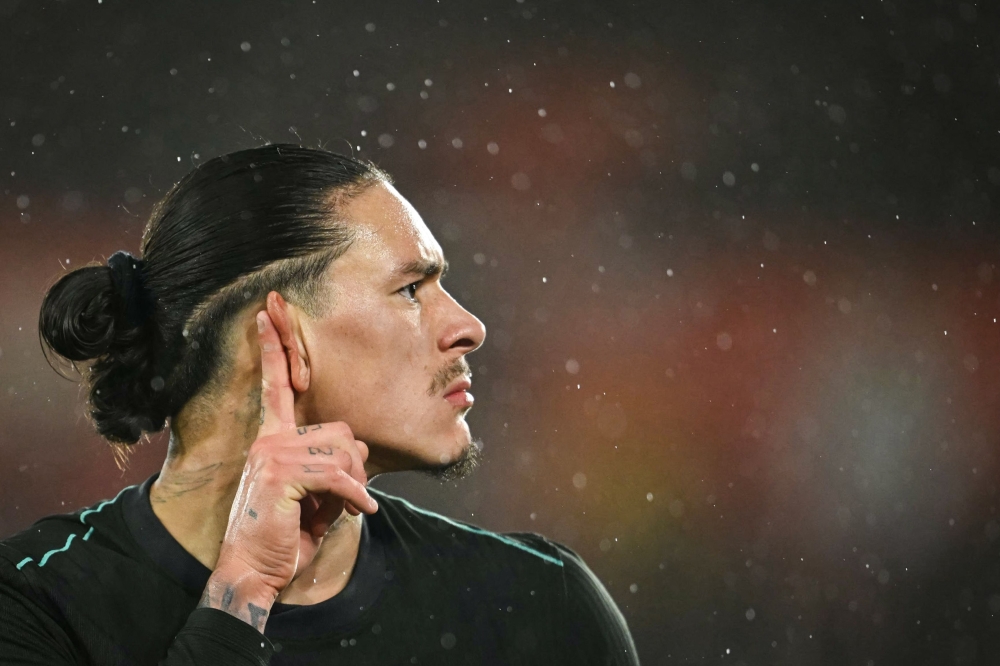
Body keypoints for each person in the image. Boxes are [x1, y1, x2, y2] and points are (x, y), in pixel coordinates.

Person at [0, 144, 640, 665]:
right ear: (278, 330)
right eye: (412, 288)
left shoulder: (541, 605)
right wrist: (241, 591)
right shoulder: (33, 606)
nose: (469, 326)